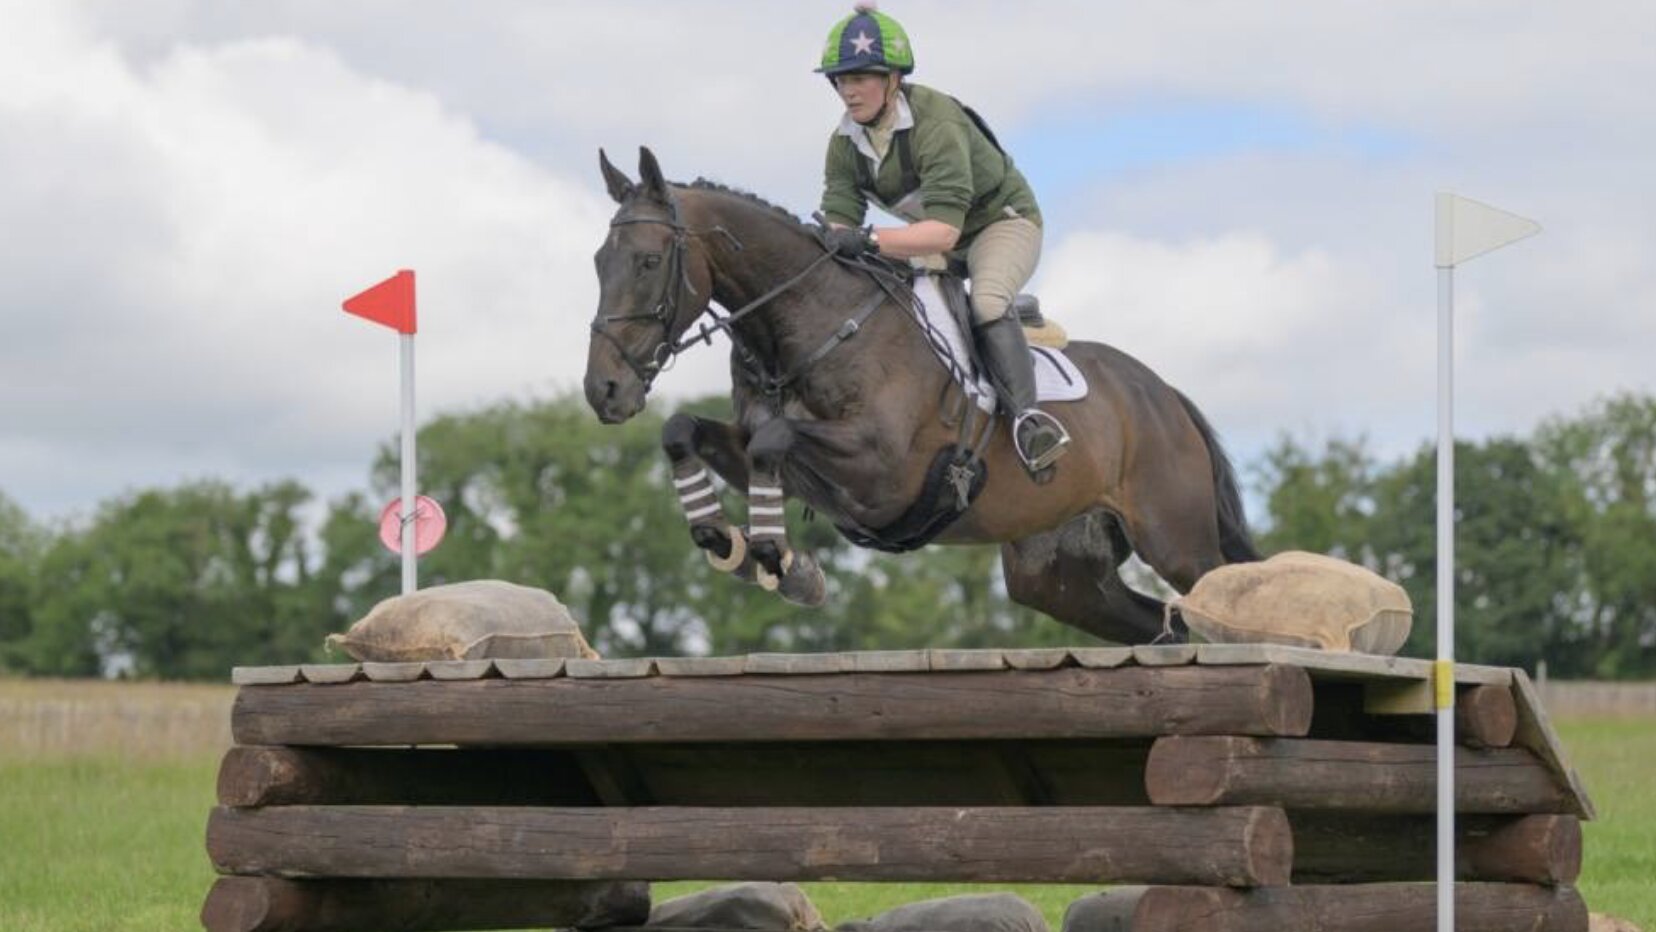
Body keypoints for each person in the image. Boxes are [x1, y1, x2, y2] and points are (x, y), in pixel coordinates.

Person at [815, 2, 1069, 478]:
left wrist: (866, 240)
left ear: (893, 79)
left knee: (988, 304)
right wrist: (832, 239)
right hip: (932, 237)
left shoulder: (937, 121)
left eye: (861, 78)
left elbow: (946, 231)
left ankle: (1031, 424)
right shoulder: (844, 143)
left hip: (999, 225)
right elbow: (839, 224)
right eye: (840, 81)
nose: (849, 92)